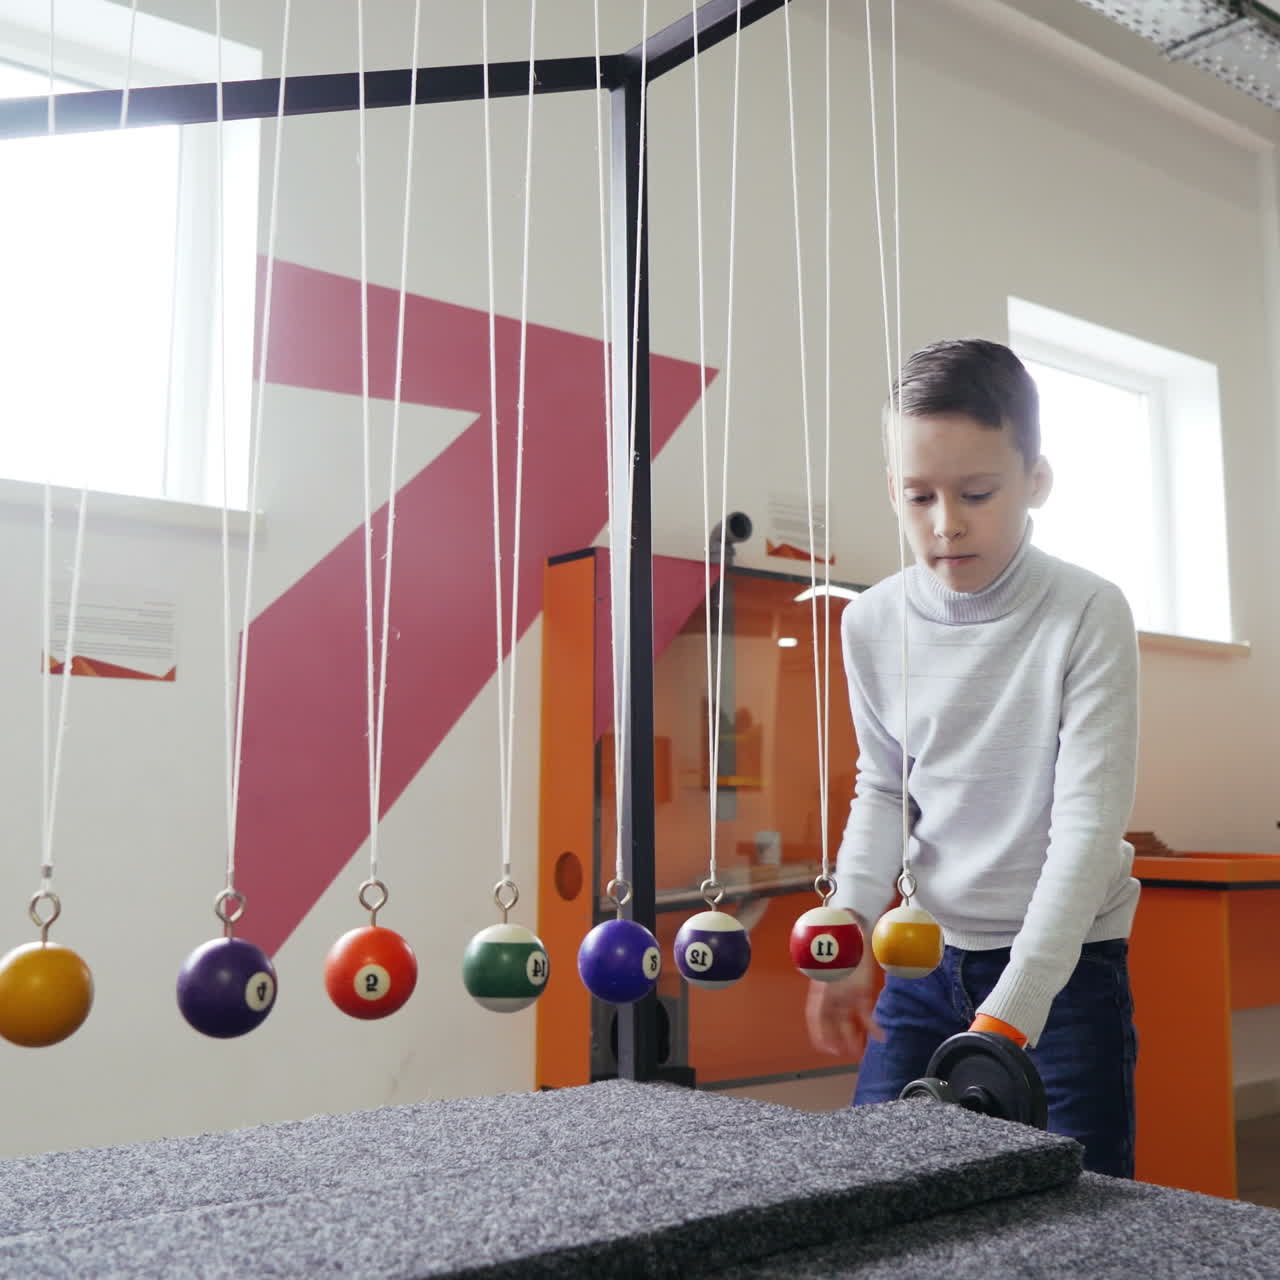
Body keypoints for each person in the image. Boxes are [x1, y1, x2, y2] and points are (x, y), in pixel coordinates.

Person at [807, 338, 1140, 1177]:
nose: (946, 522)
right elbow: (884, 789)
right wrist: (848, 926)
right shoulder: (872, 623)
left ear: (1037, 481)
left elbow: (1088, 827)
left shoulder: (1087, 612)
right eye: (919, 496)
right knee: (869, 1191)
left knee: (1085, 1215)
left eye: (978, 493)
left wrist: (1015, 1006)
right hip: (922, 962)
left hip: (1064, 977)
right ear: (892, 491)